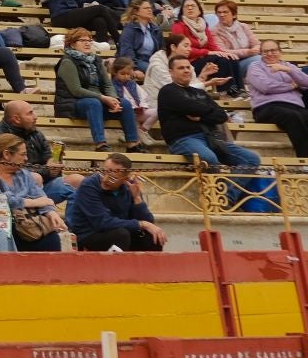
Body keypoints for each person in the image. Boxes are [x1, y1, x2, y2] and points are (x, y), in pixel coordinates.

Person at [158, 54, 271, 207]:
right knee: (209, 159)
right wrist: (204, 112)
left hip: (212, 138)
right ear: (171, 72)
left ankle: (227, 197)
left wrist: (200, 114)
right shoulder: (167, 91)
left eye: (187, 67)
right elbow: (193, 107)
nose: (185, 70)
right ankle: (217, 200)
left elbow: (220, 115)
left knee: (251, 159)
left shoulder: (200, 92)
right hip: (184, 140)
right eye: (180, 68)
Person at [0, 133, 64, 252]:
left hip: (25, 224)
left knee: (51, 236)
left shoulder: (23, 173)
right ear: (7, 154)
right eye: (22, 154)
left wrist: (50, 213)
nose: (26, 158)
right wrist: (34, 202)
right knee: (6, 233)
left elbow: (39, 194)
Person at [55, 27, 143, 151]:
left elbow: (107, 84)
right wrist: (103, 98)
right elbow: (76, 90)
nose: (87, 43)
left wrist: (114, 99)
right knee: (93, 103)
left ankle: (133, 143)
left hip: (99, 101)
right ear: (72, 44)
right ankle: (101, 144)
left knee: (125, 103)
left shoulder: (95, 60)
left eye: (89, 40)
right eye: (82, 40)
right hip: (73, 103)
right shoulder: (67, 62)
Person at [68, 154, 165, 252]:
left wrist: (137, 198)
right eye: (103, 173)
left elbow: (148, 222)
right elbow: (102, 222)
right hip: (89, 234)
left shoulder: (130, 187)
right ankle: (115, 267)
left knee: (153, 237)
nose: (105, 179)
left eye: (112, 178)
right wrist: (141, 224)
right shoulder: (89, 186)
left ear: (125, 179)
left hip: (119, 230)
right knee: (121, 235)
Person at [247, 40, 308, 157]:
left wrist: (288, 70)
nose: (269, 54)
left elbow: (306, 81)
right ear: (261, 54)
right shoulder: (255, 67)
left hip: (295, 106)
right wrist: (291, 85)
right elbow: (266, 86)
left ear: (280, 52)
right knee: (293, 116)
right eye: (265, 51)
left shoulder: (288, 66)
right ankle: (305, 160)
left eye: (273, 50)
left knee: (300, 115)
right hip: (267, 107)